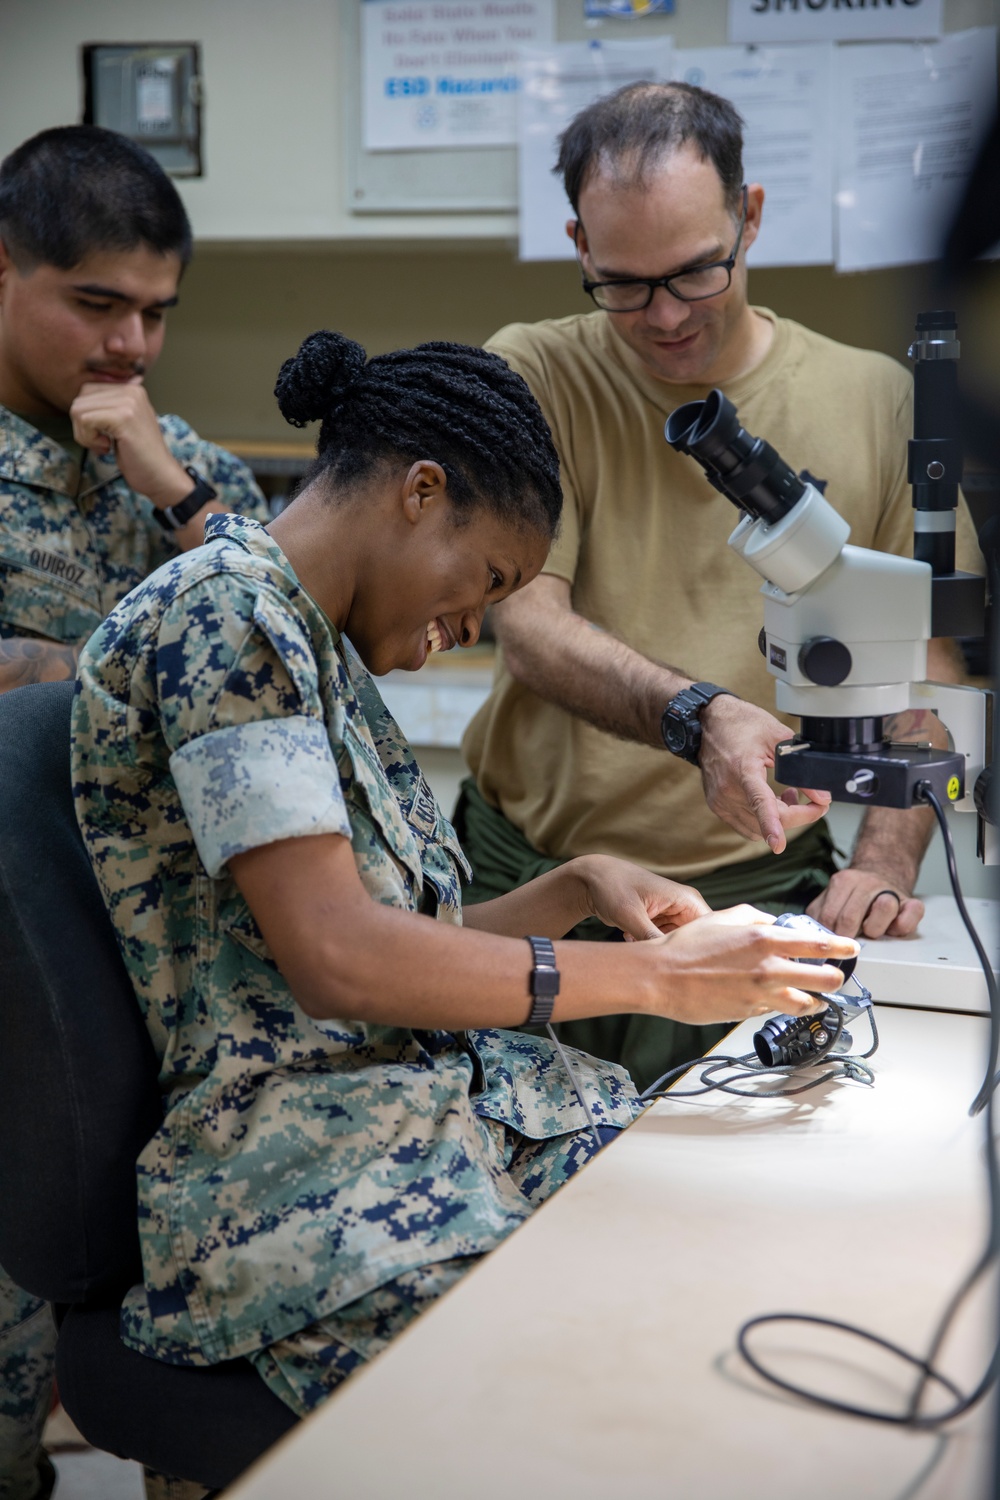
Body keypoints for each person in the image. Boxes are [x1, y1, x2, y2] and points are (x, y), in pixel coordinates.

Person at [70, 331, 857, 1420]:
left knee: (708, 1242)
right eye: (486, 578)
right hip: (300, 1186)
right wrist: (659, 982)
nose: (477, 622)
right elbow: (340, 961)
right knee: (624, 1378)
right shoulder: (227, 613)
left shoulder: (307, 638)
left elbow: (397, 939)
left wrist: (579, 886)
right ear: (418, 491)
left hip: (408, 1125)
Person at [456, 82, 982, 1092]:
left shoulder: (875, 400)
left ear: (750, 216)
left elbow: (923, 667)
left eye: (696, 272)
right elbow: (525, 620)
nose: (662, 317)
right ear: (578, 245)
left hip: (757, 893)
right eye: (622, 283)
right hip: (531, 881)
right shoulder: (533, 372)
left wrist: (878, 865)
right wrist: (699, 718)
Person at [0, 125, 268, 1500]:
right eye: (96, 304)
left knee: (177, 1382)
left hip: (169, 1001)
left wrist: (172, 490)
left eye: (157, 312)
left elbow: (293, 673)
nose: (132, 347)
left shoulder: (193, 477)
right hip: (10, 993)